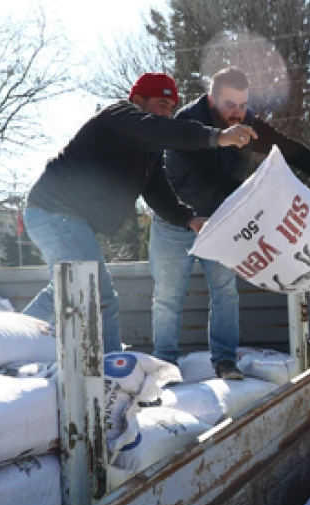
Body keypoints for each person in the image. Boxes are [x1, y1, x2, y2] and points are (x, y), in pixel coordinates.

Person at [21, 72, 257, 353]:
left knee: (65, 292)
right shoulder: (118, 115)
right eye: (161, 104)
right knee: (99, 295)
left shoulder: (148, 152)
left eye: (171, 108)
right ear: (138, 100)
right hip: (54, 212)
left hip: (63, 217)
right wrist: (216, 136)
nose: (167, 114)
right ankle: (112, 374)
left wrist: (189, 219)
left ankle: (4, 339)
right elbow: (158, 130)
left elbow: (157, 191)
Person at [151, 67, 310, 379]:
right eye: (230, 105)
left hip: (220, 223)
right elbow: (209, 179)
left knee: (226, 291)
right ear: (212, 99)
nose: (238, 113)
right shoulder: (188, 122)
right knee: (168, 296)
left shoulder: (248, 122)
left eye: (243, 105)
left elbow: (286, 146)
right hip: (176, 221)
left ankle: (225, 360)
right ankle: (165, 366)